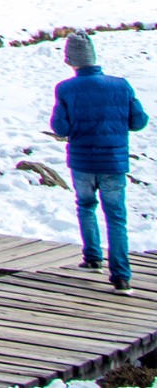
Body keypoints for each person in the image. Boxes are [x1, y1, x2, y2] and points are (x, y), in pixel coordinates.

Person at [51, 31, 149, 291]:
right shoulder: (121, 85)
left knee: (86, 206)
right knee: (116, 217)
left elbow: (60, 127)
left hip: (82, 161)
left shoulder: (65, 89)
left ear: (70, 60)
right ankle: (121, 275)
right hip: (113, 162)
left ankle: (93, 258)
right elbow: (138, 122)